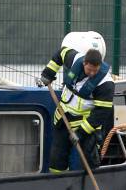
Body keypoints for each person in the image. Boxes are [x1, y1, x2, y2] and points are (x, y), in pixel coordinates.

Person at [38, 38, 114, 172]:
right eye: (89, 69)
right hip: (63, 118)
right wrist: (48, 73)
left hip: (86, 125)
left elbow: (102, 113)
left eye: (95, 71)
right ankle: (59, 185)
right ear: (84, 62)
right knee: (57, 159)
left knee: (90, 162)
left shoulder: (105, 83)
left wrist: (81, 132)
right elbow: (61, 53)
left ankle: (87, 188)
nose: (92, 73)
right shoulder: (74, 58)